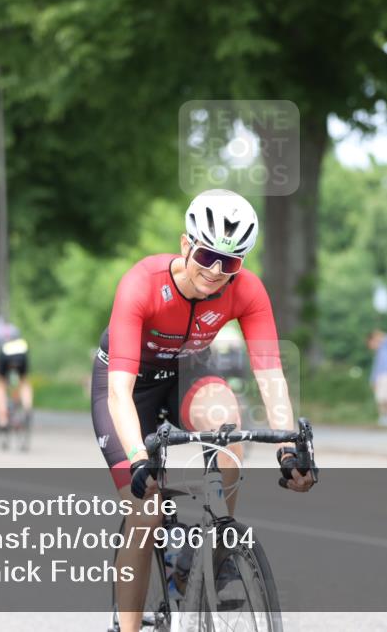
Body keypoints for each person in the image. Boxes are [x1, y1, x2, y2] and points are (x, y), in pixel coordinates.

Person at [90, 189, 314, 632]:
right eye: (208, 255)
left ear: (242, 265)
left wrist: (289, 447)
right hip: (130, 383)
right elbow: (119, 390)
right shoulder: (143, 282)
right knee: (147, 509)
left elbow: (270, 374)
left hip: (188, 372)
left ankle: (212, 551)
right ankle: (129, 626)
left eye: (229, 262)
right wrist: (138, 456)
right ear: (185, 244)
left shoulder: (246, 291)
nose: (215, 271)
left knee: (228, 423)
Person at [0, 316, 33, 434]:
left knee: (0, 385)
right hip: (21, 354)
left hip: (5, 356)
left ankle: (3, 420)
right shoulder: (14, 330)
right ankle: (27, 406)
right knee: (23, 382)